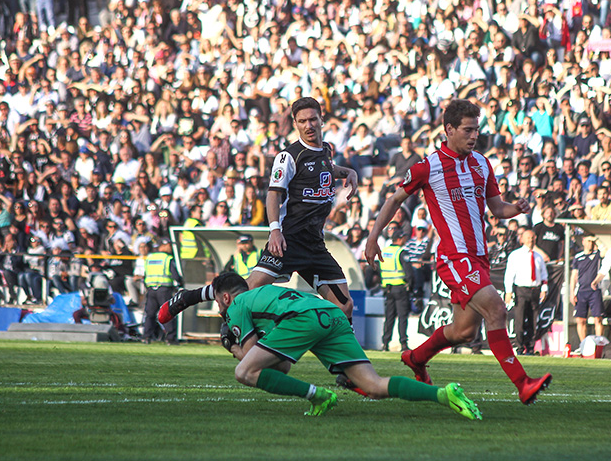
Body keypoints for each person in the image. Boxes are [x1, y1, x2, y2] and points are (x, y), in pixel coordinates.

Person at [364, 99, 552, 405]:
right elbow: (394, 200)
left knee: (464, 332)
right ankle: (523, 383)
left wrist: (514, 209)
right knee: (497, 310)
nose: (474, 135)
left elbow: (496, 207)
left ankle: (416, 357)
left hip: (479, 256)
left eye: (476, 129)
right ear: (448, 129)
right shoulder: (428, 166)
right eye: (467, 129)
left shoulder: (481, 163)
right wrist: (373, 238)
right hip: (454, 256)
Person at [158, 98, 359, 324]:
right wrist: (275, 230)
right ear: (295, 123)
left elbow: (325, 168)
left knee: (345, 305)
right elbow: (273, 194)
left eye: (313, 119)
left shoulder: (326, 150)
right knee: (244, 292)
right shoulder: (289, 156)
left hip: (315, 245)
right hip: (288, 240)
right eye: (302, 121)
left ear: (322, 120)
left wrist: (346, 172)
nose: (308, 125)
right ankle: (189, 297)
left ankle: (343, 358)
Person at [180, 272, 482, 419]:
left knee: (242, 372)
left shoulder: (237, 305)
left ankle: (319, 396)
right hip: (330, 314)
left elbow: (247, 360)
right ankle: (444, 395)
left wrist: (231, 347)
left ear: (225, 297)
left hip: (304, 318)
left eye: (219, 303)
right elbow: (281, 364)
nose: (221, 309)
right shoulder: (263, 297)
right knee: (374, 385)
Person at [504, 230, 548, 355]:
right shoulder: (515, 255)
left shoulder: (538, 256)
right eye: (528, 238)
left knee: (533, 320)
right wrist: (509, 291)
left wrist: (544, 289)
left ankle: (530, 347)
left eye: (533, 237)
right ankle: (519, 347)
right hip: (521, 290)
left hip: (535, 290)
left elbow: (544, 274)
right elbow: (509, 274)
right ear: (522, 239)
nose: (531, 240)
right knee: (520, 319)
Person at [143, 241, 182, 344]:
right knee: (168, 313)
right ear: (163, 246)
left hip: (151, 289)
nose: (171, 247)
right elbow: (175, 275)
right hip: (164, 289)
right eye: (169, 245)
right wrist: (180, 283)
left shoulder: (149, 258)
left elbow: (145, 274)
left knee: (150, 314)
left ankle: (146, 337)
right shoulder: (167, 259)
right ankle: (170, 338)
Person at [380, 228, 411, 352]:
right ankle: (403, 343)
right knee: (402, 317)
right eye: (403, 238)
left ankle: (385, 343)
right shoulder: (401, 252)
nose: (405, 240)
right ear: (399, 239)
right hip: (400, 288)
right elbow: (409, 272)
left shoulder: (384, 251)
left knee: (389, 317)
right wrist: (410, 285)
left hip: (387, 289)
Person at [570, 236, 604, 346]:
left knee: (598, 319)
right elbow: (574, 275)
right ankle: (583, 345)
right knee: (581, 320)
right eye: (588, 241)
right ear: (583, 242)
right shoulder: (578, 257)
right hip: (581, 292)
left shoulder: (597, 255)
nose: (590, 244)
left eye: (592, 242)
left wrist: (596, 239)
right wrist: (572, 293)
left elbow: (605, 250)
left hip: (594, 291)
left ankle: (599, 344)